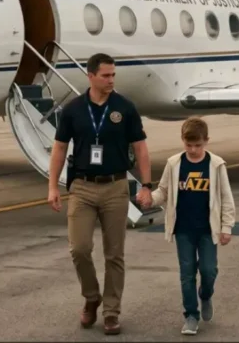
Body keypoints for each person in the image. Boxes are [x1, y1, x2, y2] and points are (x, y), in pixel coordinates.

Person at [47, 53, 152, 336]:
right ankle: (92, 297)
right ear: (90, 76)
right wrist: (53, 186)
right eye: (106, 75)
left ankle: (111, 312)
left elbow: (140, 147)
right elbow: (59, 148)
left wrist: (146, 184)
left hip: (116, 187)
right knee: (79, 249)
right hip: (81, 186)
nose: (111, 80)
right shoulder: (72, 110)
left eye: (113, 75)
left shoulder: (125, 108)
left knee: (114, 254)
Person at [143, 117, 234, 336]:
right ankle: (191, 315)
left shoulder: (216, 164)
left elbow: (226, 197)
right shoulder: (174, 163)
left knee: (208, 270)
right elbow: (163, 191)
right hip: (183, 229)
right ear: (182, 141)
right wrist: (150, 199)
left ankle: (206, 294)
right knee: (187, 273)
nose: (193, 150)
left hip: (207, 229)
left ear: (206, 141)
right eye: (189, 145)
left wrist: (226, 226)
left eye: (198, 145)